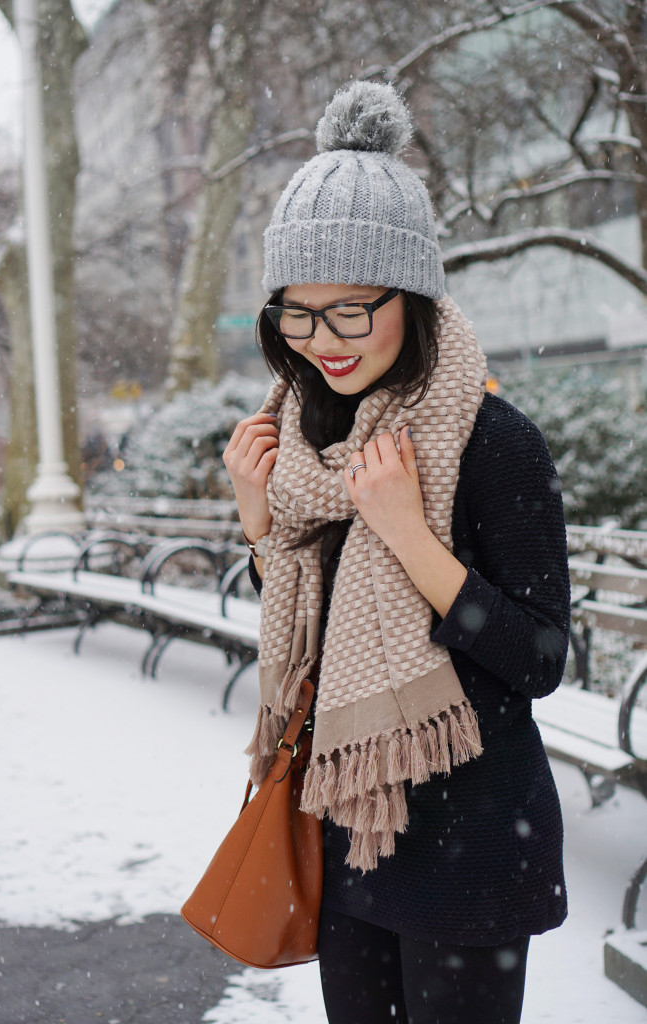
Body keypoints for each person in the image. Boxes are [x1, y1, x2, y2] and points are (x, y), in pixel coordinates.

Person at [222, 81, 570, 1024]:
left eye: (349, 310)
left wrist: (409, 536)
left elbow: (539, 658)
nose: (319, 341)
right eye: (296, 313)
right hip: (350, 830)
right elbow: (314, 631)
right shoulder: (309, 442)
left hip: (473, 841)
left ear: (411, 297)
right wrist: (260, 524)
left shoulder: (494, 443)